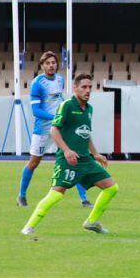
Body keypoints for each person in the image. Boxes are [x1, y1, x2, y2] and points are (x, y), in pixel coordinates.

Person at [21, 73, 118, 237]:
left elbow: (86, 134)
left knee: (111, 188)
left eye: (90, 87)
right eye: (84, 87)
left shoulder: (89, 109)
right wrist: (66, 150)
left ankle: (91, 222)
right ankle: (28, 227)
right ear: (75, 88)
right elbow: (54, 129)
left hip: (86, 160)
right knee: (56, 195)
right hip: (68, 161)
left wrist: (95, 154)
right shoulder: (66, 106)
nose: (88, 90)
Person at [18, 51, 90, 208]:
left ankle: (84, 199)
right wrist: (57, 117)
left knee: (73, 158)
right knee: (34, 163)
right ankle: (21, 196)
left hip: (59, 129)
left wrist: (66, 114)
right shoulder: (37, 83)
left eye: (53, 62)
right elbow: (36, 111)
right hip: (43, 130)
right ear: (42, 65)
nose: (51, 65)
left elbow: (59, 100)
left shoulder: (60, 79)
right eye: (48, 63)